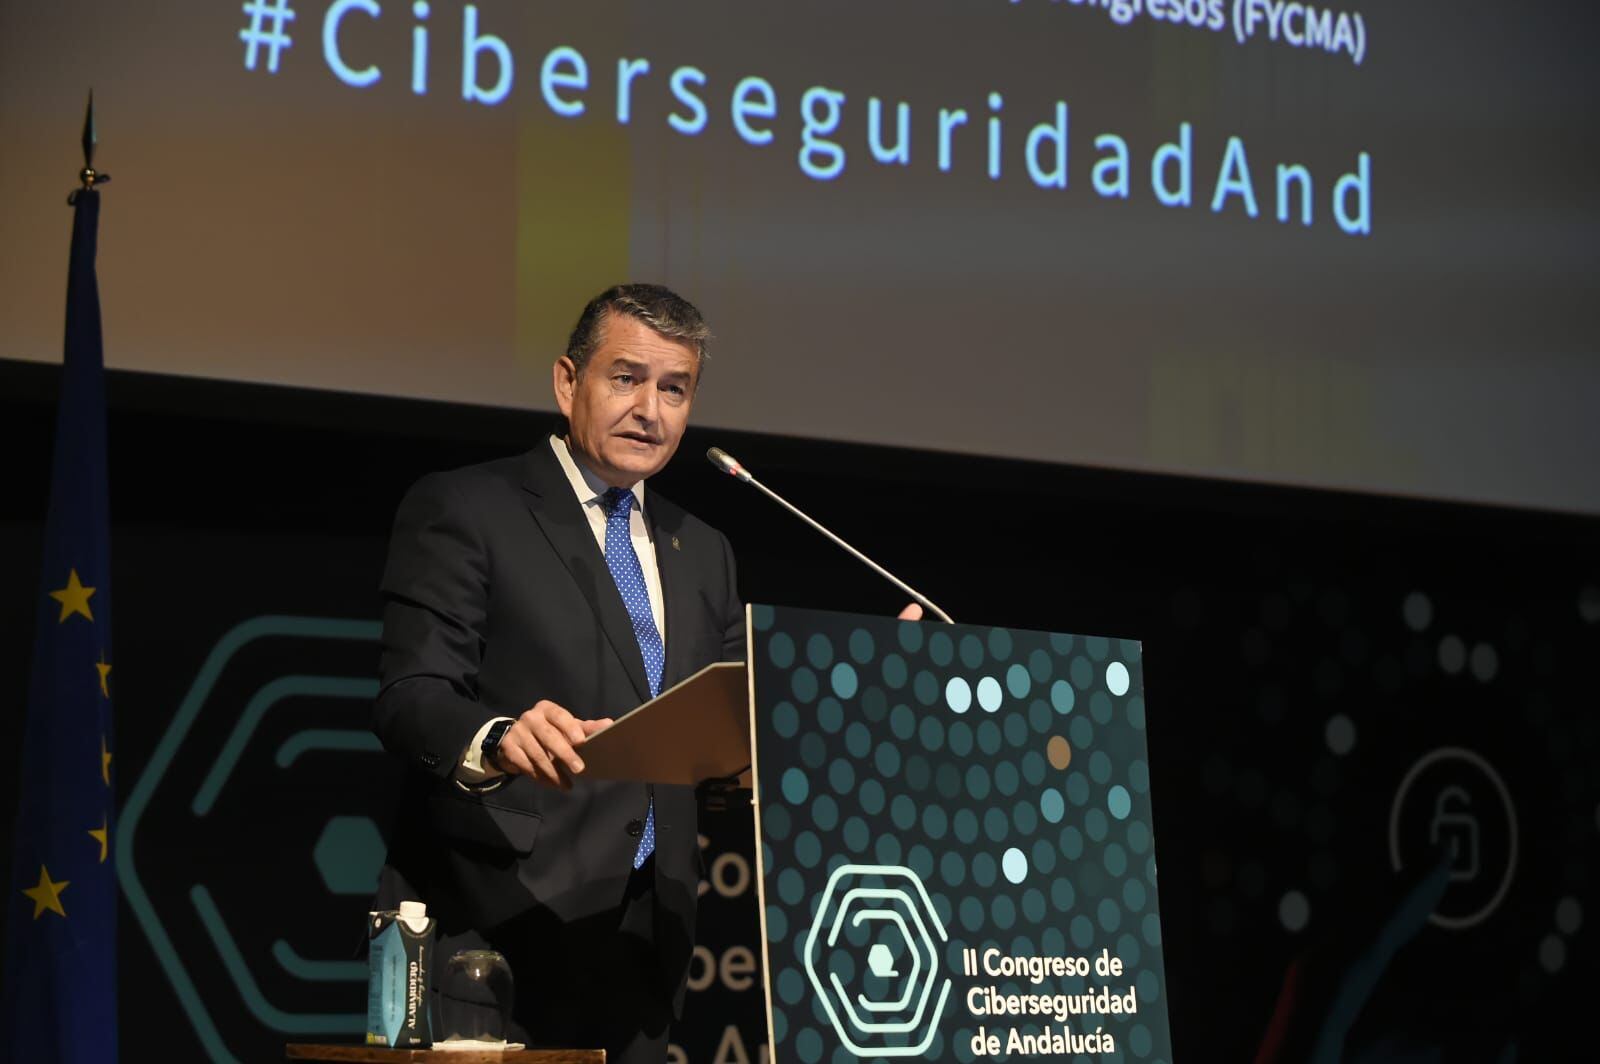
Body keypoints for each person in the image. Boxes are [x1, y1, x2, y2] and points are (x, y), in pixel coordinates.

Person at [371, 284, 742, 1062]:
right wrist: (498, 737)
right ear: (567, 382)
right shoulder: (470, 507)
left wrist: (838, 675)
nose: (650, 409)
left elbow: (718, 730)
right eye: (625, 378)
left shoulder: (701, 549)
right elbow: (412, 697)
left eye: (674, 389)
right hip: (496, 934)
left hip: (649, 947)